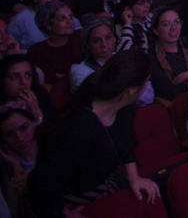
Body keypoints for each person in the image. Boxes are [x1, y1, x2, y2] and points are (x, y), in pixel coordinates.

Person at [27, 50, 161, 216]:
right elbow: (44, 184)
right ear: (132, 89)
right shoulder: (79, 126)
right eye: (146, 82)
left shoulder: (125, 108)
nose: (147, 87)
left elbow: (126, 143)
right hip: (70, 199)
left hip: (102, 185)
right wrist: (64, 213)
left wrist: (134, 177)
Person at [148, 5, 188, 100]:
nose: (173, 28)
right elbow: (170, 92)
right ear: (156, 30)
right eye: (166, 24)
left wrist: (185, 75)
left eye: (177, 22)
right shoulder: (152, 58)